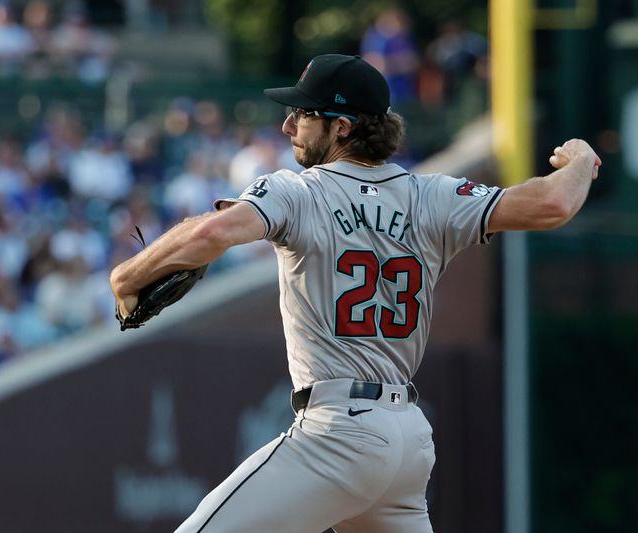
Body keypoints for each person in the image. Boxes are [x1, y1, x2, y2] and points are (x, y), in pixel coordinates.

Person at [110, 54, 601, 532]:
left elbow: (207, 235)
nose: (288, 126)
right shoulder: (432, 196)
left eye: (302, 113)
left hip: (337, 432)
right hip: (406, 437)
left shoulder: (297, 191)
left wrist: (127, 277)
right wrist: (582, 160)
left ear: (341, 126)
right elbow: (554, 202)